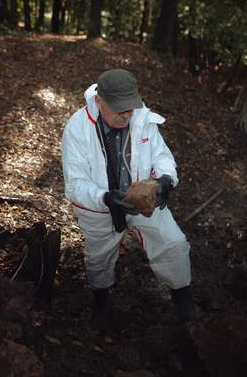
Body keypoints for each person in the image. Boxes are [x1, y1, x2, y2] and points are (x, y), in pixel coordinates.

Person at [61, 69, 196, 327]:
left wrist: (165, 179)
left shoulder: (141, 117)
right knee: (99, 258)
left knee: (174, 243)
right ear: (99, 101)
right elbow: (75, 184)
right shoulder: (77, 128)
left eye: (129, 109)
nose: (126, 116)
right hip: (100, 206)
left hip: (142, 201)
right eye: (119, 110)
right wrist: (105, 198)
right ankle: (101, 302)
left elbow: (161, 156)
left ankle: (184, 300)